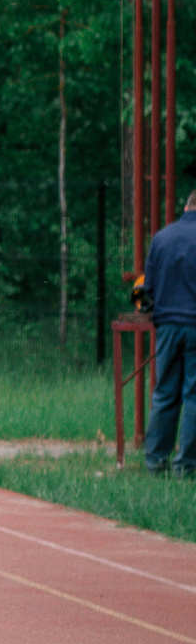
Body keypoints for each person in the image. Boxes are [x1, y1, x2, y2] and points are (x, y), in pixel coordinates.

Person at [143, 188, 196, 474]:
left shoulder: (161, 238)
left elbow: (148, 289)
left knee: (164, 393)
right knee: (194, 395)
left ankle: (155, 463)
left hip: (167, 327)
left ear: (186, 206)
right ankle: (186, 466)